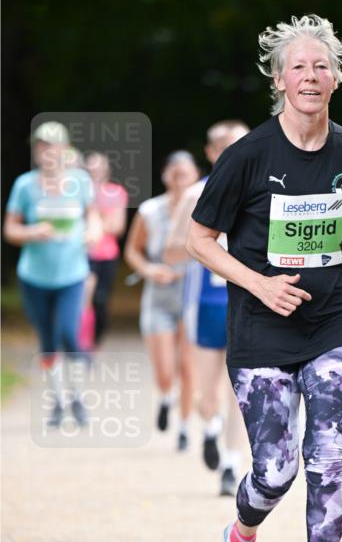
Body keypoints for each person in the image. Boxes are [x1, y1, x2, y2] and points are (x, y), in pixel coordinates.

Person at [187, 14, 342, 542]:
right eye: (298, 67)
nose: (310, 76)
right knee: (276, 469)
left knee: (329, 455)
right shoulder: (247, 156)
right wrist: (257, 283)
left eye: (321, 66)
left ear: (335, 78)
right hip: (261, 328)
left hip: (336, 320)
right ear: (279, 80)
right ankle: (242, 539)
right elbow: (199, 240)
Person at [163, 122, 248, 495]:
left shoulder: (264, 188)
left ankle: (231, 465)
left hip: (247, 300)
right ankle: (210, 428)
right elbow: (169, 250)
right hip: (205, 302)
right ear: (213, 153)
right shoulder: (196, 194)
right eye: (230, 146)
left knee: (240, 388)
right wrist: (206, 243)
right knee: (205, 392)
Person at [4, 121, 102, 426]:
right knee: (47, 339)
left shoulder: (80, 182)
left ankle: (77, 395)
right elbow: (10, 229)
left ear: (63, 149)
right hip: (34, 276)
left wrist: (93, 233)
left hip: (71, 274)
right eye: (40, 145)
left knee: (68, 334)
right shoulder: (24, 185)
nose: (45, 150)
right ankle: (58, 400)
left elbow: (94, 218)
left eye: (50, 145)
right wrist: (32, 232)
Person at [124, 151, 199, 450]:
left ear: (196, 175)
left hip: (191, 292)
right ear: (165, 175)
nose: (179, 177)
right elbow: (132, 250)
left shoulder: (204, 209)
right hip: (158, 295)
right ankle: (166, 396)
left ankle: (184, 426)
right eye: (174, 172)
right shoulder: (149, 211)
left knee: (188, 364)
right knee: (165, 368)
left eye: (186, 172)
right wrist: (149, 270)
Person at [79, 152, 129, 349]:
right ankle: (78, 341)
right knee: (81, 298)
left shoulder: (116, 192)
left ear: (106, 170)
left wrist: (93, 212)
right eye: (90, 169)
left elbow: (117, 227)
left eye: (98, 168)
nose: (94, 173)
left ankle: (95, 341)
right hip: (81, 253)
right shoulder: (76, 192)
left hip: (106, 255)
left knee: (100, 300)